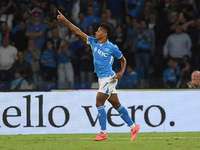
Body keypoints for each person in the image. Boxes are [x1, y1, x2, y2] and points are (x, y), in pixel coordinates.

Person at [57, 10, 140, 141]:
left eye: (99, 30)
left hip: (109, 78)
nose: (96, 32)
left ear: (105, 34)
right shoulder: (93, 42)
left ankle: (103, 132)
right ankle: (133, 126)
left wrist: (122, 71)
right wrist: (65, 20)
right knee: (116, 104)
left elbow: (123, 60)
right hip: (102, 78)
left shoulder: (112, 47)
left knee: (99, 102)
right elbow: (78, 32)